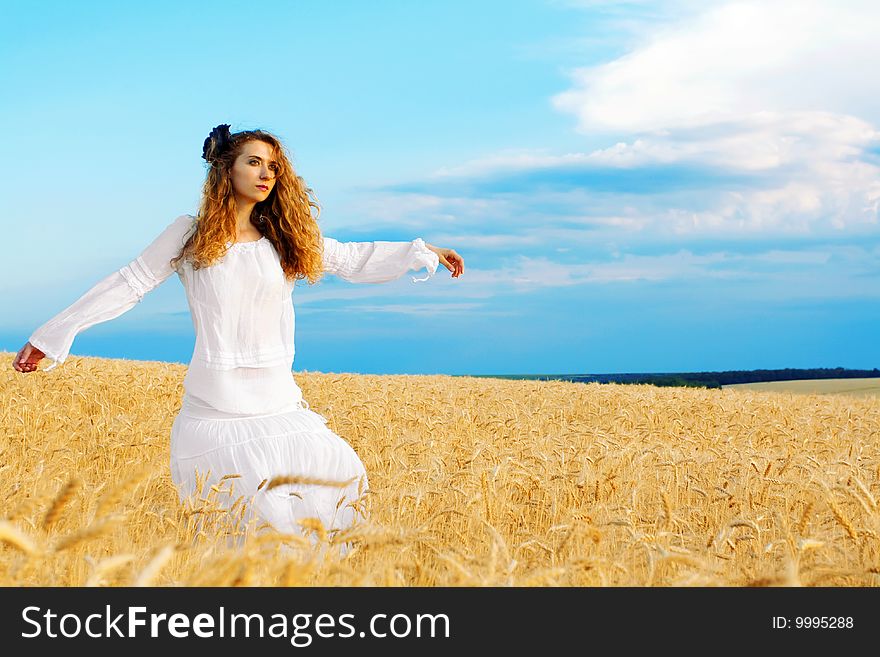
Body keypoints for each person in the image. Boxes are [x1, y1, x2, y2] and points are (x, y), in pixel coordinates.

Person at [12, 124, 465, 552]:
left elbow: (351, 258)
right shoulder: (189, 233)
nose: (267, 173)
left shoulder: (285, 237)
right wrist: (53, 335)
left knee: (339, 475)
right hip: (218, 408)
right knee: (247, 522)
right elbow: (130, 283)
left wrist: (422, 252)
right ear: (225, 169)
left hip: (278, 402)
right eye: (254, 162)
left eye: (273, 166)